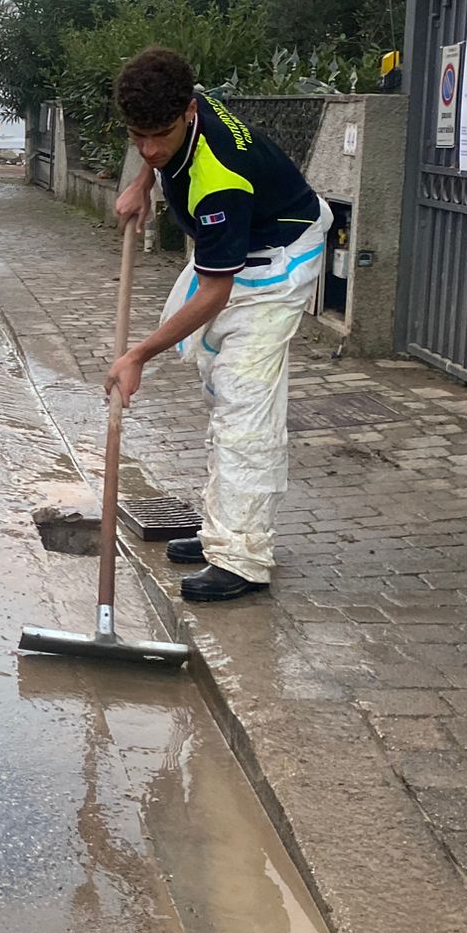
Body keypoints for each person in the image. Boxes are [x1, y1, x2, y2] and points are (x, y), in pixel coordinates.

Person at [104, 47, 330, 605]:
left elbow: (213, 292)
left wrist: (136, 356)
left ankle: (243, 558)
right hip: (243, 251)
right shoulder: (186, 101)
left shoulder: (219, 178)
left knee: (245, 403)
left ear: (185, 113)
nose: (150, 148)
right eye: (138, 135)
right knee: (215, 375)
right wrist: (143, 182)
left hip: (280, 259)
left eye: (159, 135)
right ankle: (218, 529)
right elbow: (155, 149)